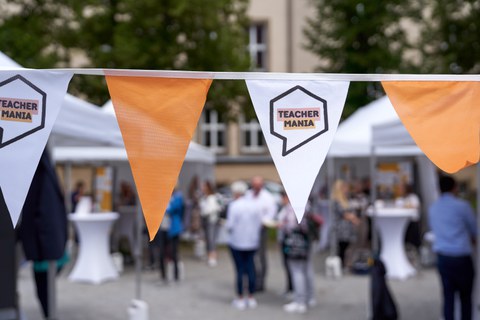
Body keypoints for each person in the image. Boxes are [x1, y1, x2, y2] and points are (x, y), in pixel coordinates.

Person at [18, 149, 68, 319]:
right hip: (46, 245)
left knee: (44, 289)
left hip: (44, 248)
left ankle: (49, 315)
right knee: (45, 289)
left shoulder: (39, 173)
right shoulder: (45, 172)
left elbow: (44, 213)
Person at [428, 175, 476, 320]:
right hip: (461, 256)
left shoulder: (433, 208)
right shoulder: (462, 206)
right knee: (466, 298)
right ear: (455, 188)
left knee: (448, 297)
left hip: (443, 256)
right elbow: (474, 229)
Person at [226, 181, 263, 310]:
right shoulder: (254, 205)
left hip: (237, 242)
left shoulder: (234, 206)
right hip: (252, 242)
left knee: (240, 270)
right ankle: (251, 296)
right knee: (250, 268)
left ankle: (241, 297)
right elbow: (259, 223)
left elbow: (230, 225)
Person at [278, 191, 316, 314]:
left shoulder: (291, 208)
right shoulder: (307, 205)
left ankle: (299, 301)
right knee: (307, 269)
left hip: (295, 243)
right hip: (306, 242)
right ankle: (310, 297)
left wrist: (282, 225)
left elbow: (291, 226)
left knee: (296, 271)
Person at [245, 176, 277, 292]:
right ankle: (252, 279)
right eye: (254, 185)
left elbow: (271, 213)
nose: (256, 188)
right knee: (250, 255)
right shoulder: (248, 195)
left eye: (258, 186)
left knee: (261, 256)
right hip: (249, 229)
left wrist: (264, 222)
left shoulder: (267, 197)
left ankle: (261, 282)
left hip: (261, 228)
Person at [157, 188, 185, 283]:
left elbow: (172, 209)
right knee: (161, 253)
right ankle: (163, 276)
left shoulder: (177, 197)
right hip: (163, 228)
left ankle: (176, 275)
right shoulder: (161, 197)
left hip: (173, 229)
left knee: (173, 252)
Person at [331, 179, 360, 269]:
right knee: (342, 247)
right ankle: (341, 265)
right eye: (344, 187)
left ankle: (343, 264)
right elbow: (343, 213)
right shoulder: (337, 200)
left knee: (345, 247)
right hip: (342, 228)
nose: (346, 189)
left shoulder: (344, 199)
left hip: (347, 227)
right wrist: (354, 219)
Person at [199, 181, 222, 267]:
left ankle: (213, 257)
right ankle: (209, 255)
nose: (202, 188)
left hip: (211, 221)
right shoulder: (204, 197)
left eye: (204, 186)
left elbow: (209, 210)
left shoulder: (212, 197)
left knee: (211, 239)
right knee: (207, 239)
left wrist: (204, 211)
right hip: (206, 220)